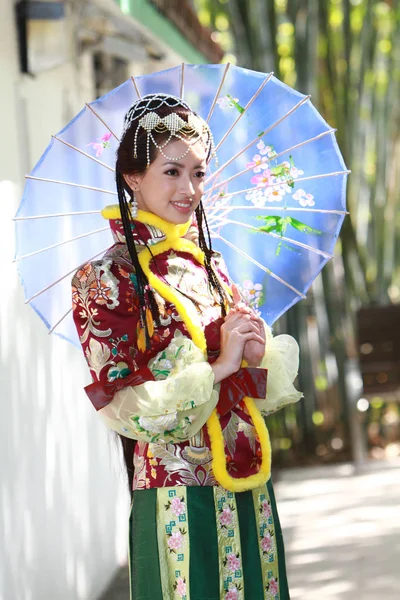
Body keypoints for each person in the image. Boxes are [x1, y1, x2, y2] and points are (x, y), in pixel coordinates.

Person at [72, 93, 302, 600]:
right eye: (172, 171)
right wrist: (218, 368)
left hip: (247, 478)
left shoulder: (209, 266)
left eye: (199, 173)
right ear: (133, 177)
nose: (189, 189)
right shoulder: (106, 276)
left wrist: (253, 357)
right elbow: (122, 403)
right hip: (177, 489)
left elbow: (247, 387)